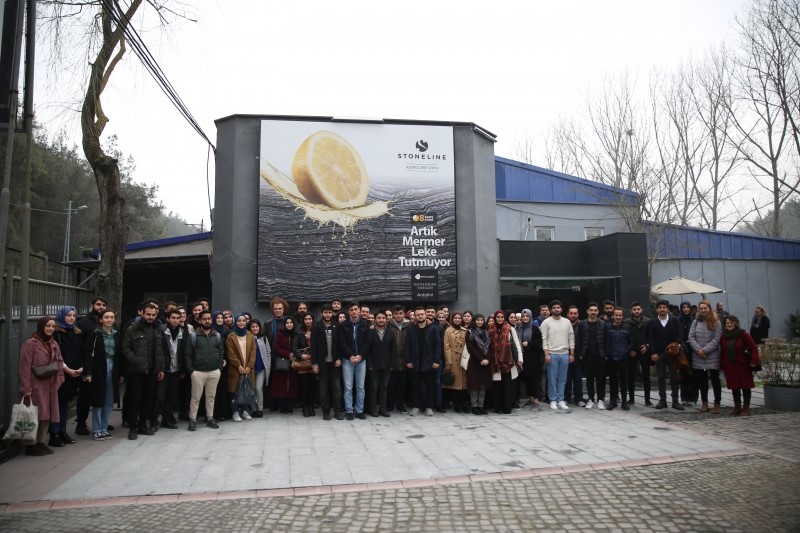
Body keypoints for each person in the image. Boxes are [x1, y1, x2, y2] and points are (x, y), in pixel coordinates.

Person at [18, 317, 65, 456]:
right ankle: (30, 445)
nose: (50, 329)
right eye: (48, 326)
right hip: (35, 385)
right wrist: (26, 388)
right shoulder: (30, 344)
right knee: (34, 414)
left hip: (51, 385)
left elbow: (60, 361)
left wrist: (60, 379)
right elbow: (24, 367)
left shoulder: (54, 343)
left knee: (46, 415)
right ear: (41, 326)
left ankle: (40, 442)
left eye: (52, 326)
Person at [121, 303, 165, 439]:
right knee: (135, 399)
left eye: (153, 315)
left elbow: (160, 351)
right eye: (148, 314)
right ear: (142, 314)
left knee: (148, 399)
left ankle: (142, 425)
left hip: (152, 371)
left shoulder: (158, 329)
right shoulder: (132, 329)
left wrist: (161, 368)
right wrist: (136, 360)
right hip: (136, 371)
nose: (151, 317)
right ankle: (133, 428)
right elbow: (125, 348)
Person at [83, 309, 120, 440]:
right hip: (99, 368)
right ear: (101, 319)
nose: (109, 319)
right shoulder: (95, 334)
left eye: (112, 317)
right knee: (98, 400)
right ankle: (97, 429)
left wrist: (119, 373)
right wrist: (88, 373)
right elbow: (88, 354)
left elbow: (119, 355)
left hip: (113, 368)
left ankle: (104, 428)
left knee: (109, 401)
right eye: (106, 317)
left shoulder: (116, 334)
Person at [49, 306, 84, 447]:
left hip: (74, 374)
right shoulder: (56, 334)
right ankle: (54, 433)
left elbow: (80, 352)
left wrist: (80, 368)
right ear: (62, 316)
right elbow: (56, 356)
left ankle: (62, 431)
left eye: (74, 315)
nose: (71, 318)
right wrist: (67, 369)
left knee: (65, 404)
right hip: (60, 373)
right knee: (56, 404)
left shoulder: (76, 332)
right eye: (68, 315)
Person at [184, 310, 224, 431]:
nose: (207, 321)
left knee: (211, 397)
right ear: (200, 320)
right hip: (198, 372)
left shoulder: (216, 335)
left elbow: (221, 352)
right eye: (204, 319)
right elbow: (187, 354)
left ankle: (210, 418)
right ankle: (192, 420)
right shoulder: (193, 336)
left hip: (214, 371)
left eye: (209, 319)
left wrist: (219, 369)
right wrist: (191, 371)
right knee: (195, 397)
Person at [405, 306, 442, 417]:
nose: (420, 316)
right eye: (418, 314)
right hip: (415, 362)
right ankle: (416, 407)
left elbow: (437, 345)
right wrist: (408, 360)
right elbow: (407, 345)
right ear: (415, 316)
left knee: (429, 386)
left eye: (422, 314)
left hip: (429, 362)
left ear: (425, 315)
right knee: (415, 386)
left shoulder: (433, 328)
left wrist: (436, 361)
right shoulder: (411, 328)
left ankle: (429, 407)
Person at [648, 300, 684, 410]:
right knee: (661, 377)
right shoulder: (652, 322)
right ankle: (662, 400)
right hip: (659, 354)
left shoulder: (674, 320)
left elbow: (680, 334)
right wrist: (653, 352)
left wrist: (677, 345)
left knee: (674, 377)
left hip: (672, 354)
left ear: (667, 308)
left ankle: (675, 401)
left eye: (664, 307)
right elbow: (650, 338)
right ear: (656, 309)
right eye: (660, 307)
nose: (662, 309)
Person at [720, 316, 760, 416]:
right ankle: (737, 407)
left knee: (746, 387)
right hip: (730, 365)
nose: (729, 325)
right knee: (734, 387)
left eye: (731, 323)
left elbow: (753, 348)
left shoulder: (743, 334)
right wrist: (721, 365)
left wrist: (754, 361)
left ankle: (746, 408)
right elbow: (722, 352)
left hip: (743, 365)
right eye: (727, 323)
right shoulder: (723, 336)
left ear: (736, 324)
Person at [338, 302, 372, 420]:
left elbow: (368, 342)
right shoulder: (343, 325)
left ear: (359, 310)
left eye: (356, 309)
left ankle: (359, 410)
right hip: (348, 360)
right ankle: (349, 410)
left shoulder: (365, 324)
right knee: (348, 387)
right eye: (351, 309)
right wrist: (350, 355)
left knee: (360, 386)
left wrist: (361, 355)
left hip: (361, 360)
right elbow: (342, 342)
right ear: (348, 311)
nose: (354, 311)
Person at [688, 301, 723, 414]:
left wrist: (705, 350)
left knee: (715, 380)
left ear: (709, 308)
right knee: (702, 381)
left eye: (705, 308)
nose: (703, 310)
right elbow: (691, 337)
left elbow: (717, 339)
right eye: (701, 308)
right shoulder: (695, 322)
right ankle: (704, 402)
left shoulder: (716, 322)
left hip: (712, 355)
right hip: (698, 355)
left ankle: (717, 403)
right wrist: (698, 349)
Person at [311, 304, 344, 420]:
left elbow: (340, 344)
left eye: (329, 312)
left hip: (335, 362)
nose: (328, 314)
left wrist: (339, 358)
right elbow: (313, 347)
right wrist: (314, 363)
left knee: (337, 388)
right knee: (323, 388)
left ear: (332, 313)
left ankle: (337, 411)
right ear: (321, 313)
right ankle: (326, 411)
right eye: (325, 312)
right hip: (322, 363)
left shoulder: (337, 325)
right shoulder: (316, 326)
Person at [540, 300, 575, 410]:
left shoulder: (567, 322)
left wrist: (572, 354)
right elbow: (544, 339)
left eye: (558, 307)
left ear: (561, 309)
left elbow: (571, 338)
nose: (556, 309)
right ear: (551, 310)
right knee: (552, 379)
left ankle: (560, 399)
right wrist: (546, 354)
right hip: (552, 354)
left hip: (565, 354)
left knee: (562, 379)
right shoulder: (546, 323)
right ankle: (553, 400)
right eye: (554, 308)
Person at [488, 310, 521, 414]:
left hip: (508, 361)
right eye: (498, 317)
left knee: (508, 386)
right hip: (495, 361)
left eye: (502, 317)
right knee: (497, 386)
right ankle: (498, 407)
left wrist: (520, 358)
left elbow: (517, 344)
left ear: (504, 318)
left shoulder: (510, 328)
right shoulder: (490, 330)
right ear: (495, 318)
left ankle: (507, 407)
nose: (500, 319)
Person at [225, 313, 256, 422]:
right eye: (239, 321)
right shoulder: (231, 336)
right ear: (235, 322)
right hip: (235, 368)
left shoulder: (250, 335)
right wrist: (238, 365)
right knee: (234, 390)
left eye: (243, 321)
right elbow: (230, 354)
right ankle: (235, 412)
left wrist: (249, 366)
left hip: (248, 369)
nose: (241, 323)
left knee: (246, 389)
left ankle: (244, 410)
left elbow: (253, 352)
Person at [578, 302, 608, 410]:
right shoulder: (582, 324)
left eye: (595, 310)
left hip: (600, 355)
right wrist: (581, 354)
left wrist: (606, 355)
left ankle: (600, 400)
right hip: (587, 356)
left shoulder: (603, 324)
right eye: (591, 310)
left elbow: (606, 340)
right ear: (587, 311)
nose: (593, 312)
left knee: (600, 379)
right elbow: (579, 340)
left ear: (598, 312)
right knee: (589, 379)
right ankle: (590, 399)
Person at [158, 309, 185, 429]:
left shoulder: (182, 332)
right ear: (168, 318)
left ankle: (166, 418)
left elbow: (184, 351)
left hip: (176, 369)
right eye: (173, 318)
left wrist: (183, 368)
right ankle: (154, 419)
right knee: (159, 396)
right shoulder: (161, 330)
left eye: (177, 318)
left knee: (171, 395)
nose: (175, 320)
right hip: (163, 369)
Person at [366, 310, 395, 417]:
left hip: (386, 365)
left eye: (383, 318)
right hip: (373, 365)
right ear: (375, 319)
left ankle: (383, 409)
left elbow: (393, 349)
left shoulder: (390, 332)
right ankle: (373, 409)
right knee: (373, 388)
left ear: (386, 319)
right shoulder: (370, 331)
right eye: (379, 318)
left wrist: (392, 364)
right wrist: (369, 363)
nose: (381, 320)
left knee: (384, 387)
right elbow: (367, 349)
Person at [624, 301, 651, 407]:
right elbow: (626, 338)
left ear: (641, 310)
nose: (636, 311)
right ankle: (631, 399)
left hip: (645, 351)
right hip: (632, 352)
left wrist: (647, 346)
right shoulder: (626, 322)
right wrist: (629, 350)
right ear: (631, 311)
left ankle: (647, 400)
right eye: (634, 309)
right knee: (631, 376)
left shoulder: (648, 321)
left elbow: (651, 336)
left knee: (646, 376)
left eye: (638, 309)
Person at [465, 313, 492, 415]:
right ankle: (474, 406)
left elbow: (490, 348)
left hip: (486, 363)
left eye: (481, 320)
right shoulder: (470, 332)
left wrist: (488, 359)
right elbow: (470, 348)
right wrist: (481, 359)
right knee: (474, 385)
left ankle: (481, 406)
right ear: (474, 321)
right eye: (478, 320)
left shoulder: (487, 332)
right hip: (475, 362)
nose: (479, 322)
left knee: (483, 386)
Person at [272, 317, 299, 414]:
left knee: (292, 385)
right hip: (282, 362)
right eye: (287, 323)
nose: (289, 324)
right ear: (284, 324)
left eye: (291, 322)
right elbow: (276, 348)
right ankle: (282, 407)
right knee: (281, 385)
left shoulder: (296, 334)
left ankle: (290, 407)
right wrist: (287, 354)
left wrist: (295, 354)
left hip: (294, 363)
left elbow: (299, 346)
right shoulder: (280, 334)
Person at [443, 312, 469, 413]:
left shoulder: (465, 330)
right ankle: (457, 404)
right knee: (455, 384)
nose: (457, 319)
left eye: (459, 318)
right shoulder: (448, 331)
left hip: (464, 359)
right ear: (452, 319)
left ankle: (464, 404)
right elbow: (447, 347)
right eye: (455, 318)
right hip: (454, 360)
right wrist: (448, 362)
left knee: (464, 384)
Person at [606, 308, 632, 411]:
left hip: (623, 357)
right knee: (613, 380)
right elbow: (606, 341)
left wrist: (626, 350)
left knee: (624, 380)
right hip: (611, 357)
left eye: (620, 315)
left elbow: (632, 341)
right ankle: (613, 401)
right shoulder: (607, 327)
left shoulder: (627, 327)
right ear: (613, 316)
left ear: (622, 316)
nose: (618, 317)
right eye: (616, 315)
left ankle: (624, 401)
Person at [387, 305, 410, 413]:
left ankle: (400, 405)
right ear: (393, 314)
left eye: (400, 313)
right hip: (392, 359)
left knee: (402, 384)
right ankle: (390, 404)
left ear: (404, 314)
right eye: (396, 313)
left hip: (404, 360)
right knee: (391, 384)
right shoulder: (388, 325)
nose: (398, 315)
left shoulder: (409, 325)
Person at [292, 313, 316, 417]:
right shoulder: (298, 332)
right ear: (303, 321)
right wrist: (301, 355)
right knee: (304, 386)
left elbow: (321, 344)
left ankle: (311, 406)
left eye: (310, 319)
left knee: (312, 386)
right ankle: (305, 407)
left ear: (313, 320)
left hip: (314, 362)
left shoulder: (317, 330)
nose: (308, 321)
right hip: (303, 363)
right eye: (306, 319)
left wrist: (314, 355)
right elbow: (294, 346)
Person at [249, 319, 271, 418]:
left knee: (258, 388)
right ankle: (253, 409)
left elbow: (268, 352)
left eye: (257, 326)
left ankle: (260, 409)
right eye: (253, 327)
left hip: (261, 367)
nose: (255, 328)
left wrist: (268, 365)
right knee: (252, 389)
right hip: (250, 368)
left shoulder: (264, 338)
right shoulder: (247, 338)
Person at [677, 301, 697, 405]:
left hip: (692, 350)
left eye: (687, 307)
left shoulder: (693, 320)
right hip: (681, 351)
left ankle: (693, 398)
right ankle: (684, 397)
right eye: (683, 307)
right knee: (683, 373)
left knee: (693, 374)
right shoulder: (677, 320)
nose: (686, 309)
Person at [564, 305, 583, 406]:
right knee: (566, 378)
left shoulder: (582, 325)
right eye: (571, 313)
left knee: (578, 378)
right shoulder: (563, 324)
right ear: (567, 314)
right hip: (565, 354)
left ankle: (578, 399)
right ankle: (566, 398)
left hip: (578, 356)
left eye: (575, 313)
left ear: (578, 314)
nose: (573, 315)